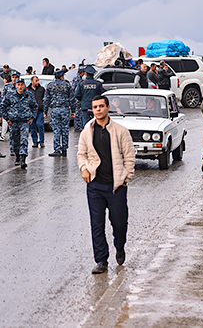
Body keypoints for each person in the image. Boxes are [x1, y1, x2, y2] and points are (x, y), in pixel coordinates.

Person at [77, 95, 135, 274]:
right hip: (95, 185)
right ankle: (101, 260)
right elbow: (81, 154)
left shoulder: (120, 131)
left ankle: (120, 246)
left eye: (101, 106)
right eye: (95, 107)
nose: (98, 110)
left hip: (116, 186)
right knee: (97, 224)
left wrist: (126, 178)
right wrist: (84, 169)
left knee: (119, 223)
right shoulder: (87, 131)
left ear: (108, 108)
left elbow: (129, 156)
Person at [0, 78, 38, 169]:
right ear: (16, 86)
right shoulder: (10, 95)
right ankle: (17, 156)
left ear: (24, 85)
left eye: (22, 85)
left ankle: (23, 158)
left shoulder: (29, 95)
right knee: (15, 141)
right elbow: (3, 106)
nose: (20, 87)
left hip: (24, 121)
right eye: (18, 85)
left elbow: (35, 106)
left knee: (24, 140)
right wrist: (7, 118)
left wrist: (32, 117)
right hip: (14, 122)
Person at [44, 70, 74, 157]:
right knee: (65, 130)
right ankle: (64, 149)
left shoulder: (50, 86)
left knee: (56, 130)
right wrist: (73, 111)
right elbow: (72, 99)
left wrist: (45, 111)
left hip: (55, 110)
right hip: (65, 109)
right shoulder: (67, 85)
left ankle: (57, 149)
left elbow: (46, 99)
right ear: (62, 76)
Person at [27, 76, 46, 148]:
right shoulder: (28, 90)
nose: (37, 82)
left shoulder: (41, 89)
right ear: (32, 81)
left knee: (40, 125)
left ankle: (41, 141)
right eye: (36, 81)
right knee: (32, 127)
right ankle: (35, 141)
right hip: (31, 112)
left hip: (40, 111)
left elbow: (45, 99)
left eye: (38, 80)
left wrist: (44, 109)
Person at [71, 66, 85, 132]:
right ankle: (77, 126)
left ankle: (78, 126)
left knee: (79, 112)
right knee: (77, 112)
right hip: (77, 97)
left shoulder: (78, 78)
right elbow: (73, 88)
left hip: (78, 97)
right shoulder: (77, 79)